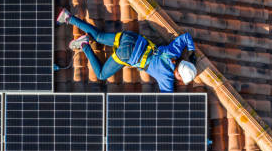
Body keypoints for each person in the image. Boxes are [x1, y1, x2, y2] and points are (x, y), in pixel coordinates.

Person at [56, 8, 197, 92]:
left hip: (132, 38)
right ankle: (85, 46)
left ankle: (67, 17)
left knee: (98, 36)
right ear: (178, 74)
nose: (178, 80)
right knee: (100, 75)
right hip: (127, 54)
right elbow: (169, 101)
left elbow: (186, 37)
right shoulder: (167, 77)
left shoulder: (173, 52)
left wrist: (192, 53)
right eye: (180, 78)